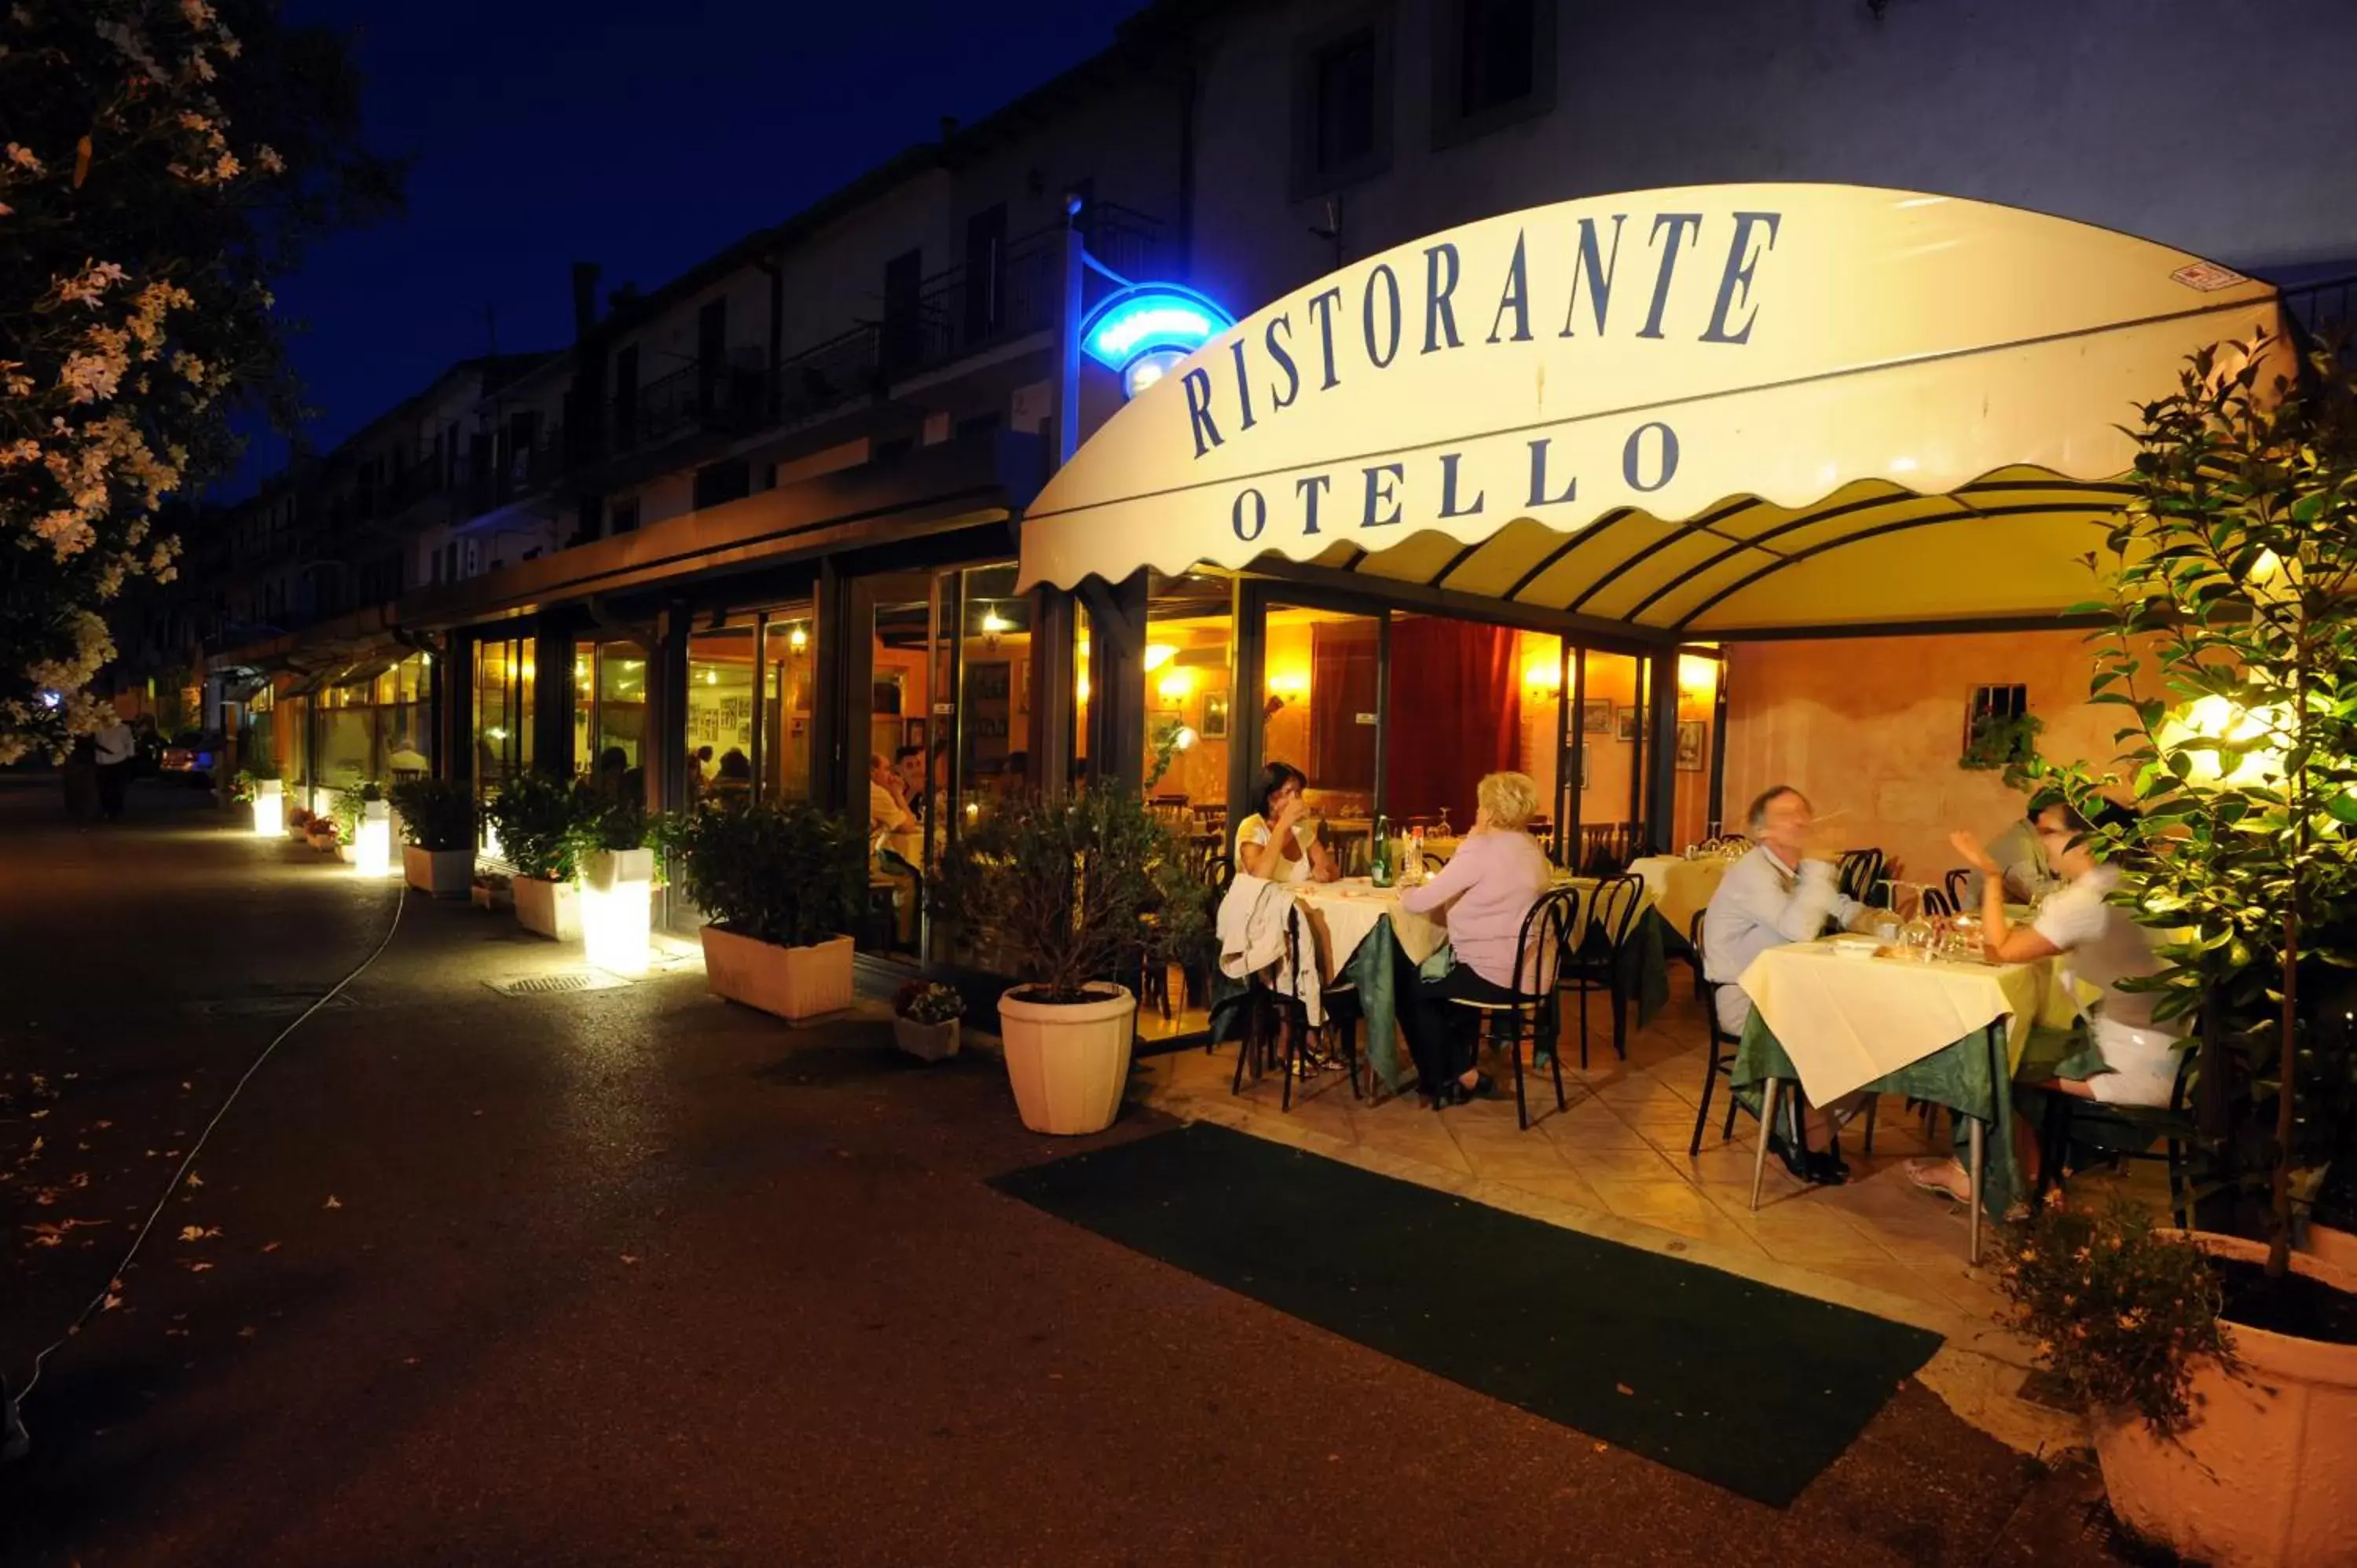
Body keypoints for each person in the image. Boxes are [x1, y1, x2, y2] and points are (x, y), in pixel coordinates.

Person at [1908, 800, 2179, 1202]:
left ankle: (1981, 1176)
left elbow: (2000, 951)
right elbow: (2039, 945)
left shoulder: (2085, 900)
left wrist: (1991, 875)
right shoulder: (2125, 886)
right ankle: (2038, 1175)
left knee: (1984, 1055)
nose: (2041, 842)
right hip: (2167, 1056)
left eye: (2050, 832)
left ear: (2086, 842)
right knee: (2022, 1044)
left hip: (2130, 1070)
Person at [1701, 783, 1879, 1184]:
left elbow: (1838, 907)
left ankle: (1804, 1132)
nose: (1800, 820)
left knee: (1876, 1038)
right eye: (1786, 815)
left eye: (1803, 812)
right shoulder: (1753, 873)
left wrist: (1883, 922)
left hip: (1792, 993)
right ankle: (1799, 1136)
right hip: (1747, 998)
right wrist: (1819, 868)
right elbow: (1798, 928)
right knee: (1847, 1042)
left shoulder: (1793, 870)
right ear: (1761, 831)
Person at [1402, 771, 1556, 1108]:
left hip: (1496, 975)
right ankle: (1456, 1072)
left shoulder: (1482, 849)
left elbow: (1418, 902)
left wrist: (1405, 885)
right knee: (1446, 983)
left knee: (1412, 987)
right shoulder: (1531, 847)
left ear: (1489, 810)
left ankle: (1447, 1077)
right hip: (1535, 974)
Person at [1232, 761, 1339, 884]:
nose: (1296, 798)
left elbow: (1331, 868)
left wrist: (1324, 871)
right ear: (1271, 800)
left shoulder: (1301, 828)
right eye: (1289, 792)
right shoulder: (1252, 826)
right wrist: (1283, 824)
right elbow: (1258, 876)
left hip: (1298, 901)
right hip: (1261, 902)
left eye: (1298, 792)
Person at [1969, 793, 2071, 903]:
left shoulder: (2031, 836)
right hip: (1986, 916)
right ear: (2045, 817)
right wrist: (2075, 885)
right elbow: (2034, 894)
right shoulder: (2019, 842)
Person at [92, 714, 137, 819]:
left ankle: (115, 811)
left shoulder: (122, 728)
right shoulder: (96, 727)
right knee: (105, 789)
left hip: (118, 761)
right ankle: (108, 810)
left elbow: (128, 743)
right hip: (103, 763)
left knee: (117, 789)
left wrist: (130, 755)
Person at [868, 752, 917, 842]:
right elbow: (908, 827)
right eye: (886, 769)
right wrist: (898, 794)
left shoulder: (871, 788)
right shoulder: (878, 793)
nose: (890, 776)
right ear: (873, 772)